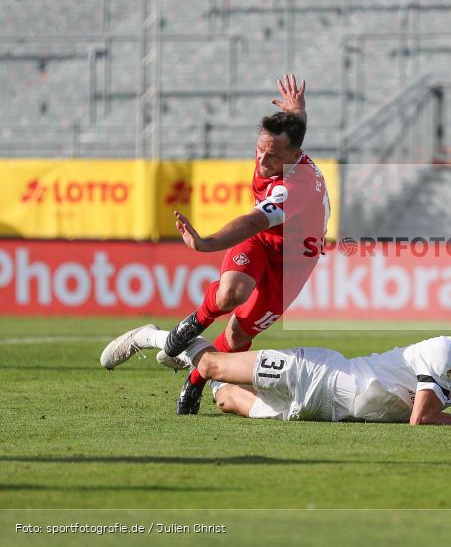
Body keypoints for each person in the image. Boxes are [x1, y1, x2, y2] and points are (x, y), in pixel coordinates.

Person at [101, 74, 331, 417]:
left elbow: (252, 220)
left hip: (293, 264)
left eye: (271, 156)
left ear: (294, 154)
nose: (262, 161)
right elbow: (292, 132)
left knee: (237, 339)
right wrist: (297, 109)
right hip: (263, 243)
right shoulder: (282, 148)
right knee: (230, 294)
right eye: (259, 150)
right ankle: (190, 325)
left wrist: (206, 243)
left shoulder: (295, 187)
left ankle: (194, 378)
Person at [117, 303, 451, 425]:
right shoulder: (444, 350)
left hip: (322, 412)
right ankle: (151, 336)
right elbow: (423, 418)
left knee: (226, 400)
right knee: (212, 368)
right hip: (317, 374)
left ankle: (184, 350)